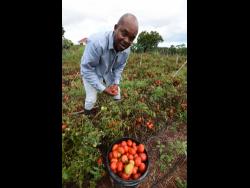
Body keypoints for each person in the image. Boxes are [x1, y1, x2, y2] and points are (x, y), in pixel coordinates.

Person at [80, 13, 139, 115]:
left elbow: (120, 66)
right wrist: (103, 89)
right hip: (91, 72)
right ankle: (87, 116)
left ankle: (116, 115)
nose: (126, 41)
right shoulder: (97, 42)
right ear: (115, 28)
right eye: (124, 34)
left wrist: (115, 83)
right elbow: (87, 69)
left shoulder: (127, 49)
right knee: (91, 99)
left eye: (131, 38)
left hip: (106, 72)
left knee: (117, 92)